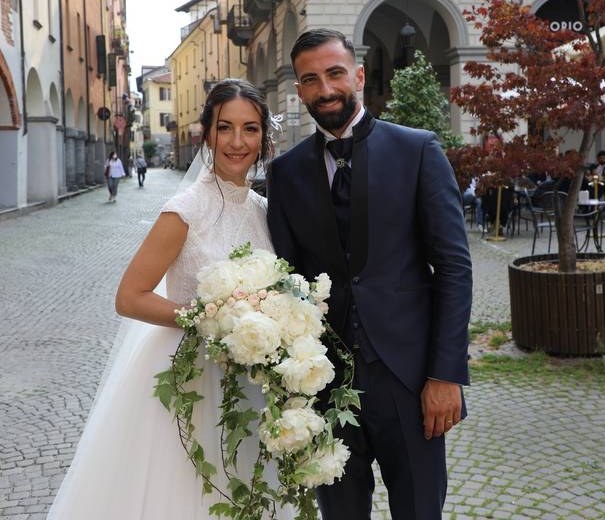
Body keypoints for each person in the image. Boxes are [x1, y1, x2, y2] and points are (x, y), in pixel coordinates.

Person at [47, 80, 293, 519]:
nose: (238, 142)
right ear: (206, 134)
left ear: (264, 137)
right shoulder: (184, 209)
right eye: (226, 128)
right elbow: (129, 297)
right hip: (192, 375)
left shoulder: (261, 208)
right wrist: (209, 318)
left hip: (252, 379)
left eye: (250, 129)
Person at [267, 29, 472, 520]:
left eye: (335, 74)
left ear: (357, 75)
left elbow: (454, 268)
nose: (325, 89)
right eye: (310, 79)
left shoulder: (417, 150)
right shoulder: (285, 173)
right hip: (326, 389)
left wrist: (445, 374)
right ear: (299, 91)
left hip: (411, 383)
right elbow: (288, 282)